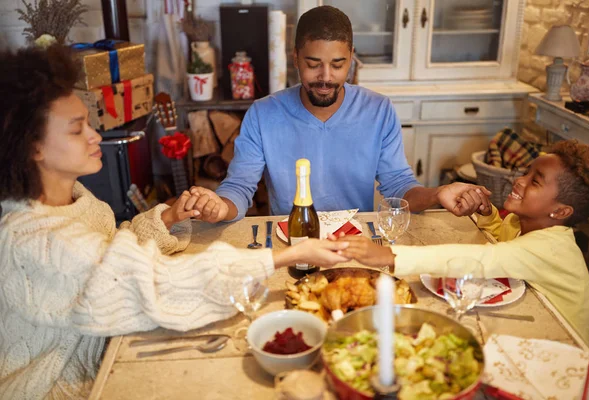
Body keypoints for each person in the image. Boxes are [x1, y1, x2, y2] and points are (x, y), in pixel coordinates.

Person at [0, 45, 350, 400]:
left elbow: (112, 254)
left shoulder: (70, 195)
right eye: (77, 130)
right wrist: (285, 256)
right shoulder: (34, 241)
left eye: (89, 124)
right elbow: (157, 281)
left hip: (108, 347)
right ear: (33, 147)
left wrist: (167, 217)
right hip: (63, 384)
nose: (95, 136)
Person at [189, 5, 490, 223]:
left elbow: (399, 186)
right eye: (313, 63)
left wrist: (439, 194)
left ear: (351, 59)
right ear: (295, 58)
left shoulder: (378, 110)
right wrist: (219, 206)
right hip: (291, 241)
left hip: (355, 242)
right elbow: (240, 186)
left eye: (337, 64)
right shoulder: (263, 114)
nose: (326, 77)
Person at [332, 139, 589, 345]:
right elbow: (504, 239)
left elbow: (485, 260)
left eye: (535, 182)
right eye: (526, 173)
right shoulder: (526, 224)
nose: (520, 180)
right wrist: (487, 215)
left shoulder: (550, 248)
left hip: (563, 347)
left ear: (562, 211)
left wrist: (389, 256)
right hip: (535, 326)